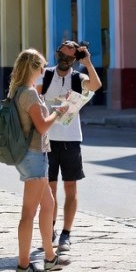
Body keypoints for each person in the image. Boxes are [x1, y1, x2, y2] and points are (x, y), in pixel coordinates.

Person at [9, 48, 69, 272]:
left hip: (29, 154)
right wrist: (58, 112)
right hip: (33, 155)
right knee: (28, 212)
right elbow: (42, 126)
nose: (44, 71)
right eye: (42, 67)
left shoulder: (17, 90)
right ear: (34, 68)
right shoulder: (29, 94)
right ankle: (24, 265)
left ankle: (50, 256)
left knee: (49, 203)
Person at [38, 40, 102, 251]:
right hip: (47, 139)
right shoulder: (46, 75)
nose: (66, 57)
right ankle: (51, 229)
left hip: (71, 138)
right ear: (58, 54)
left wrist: (88, 62)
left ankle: (67, 232)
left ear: (75, 58)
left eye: (71, 52)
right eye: (63, 51)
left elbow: (95, 85)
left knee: (70, 187)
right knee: (50, 188)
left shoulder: (78, 77)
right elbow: (32, 92)